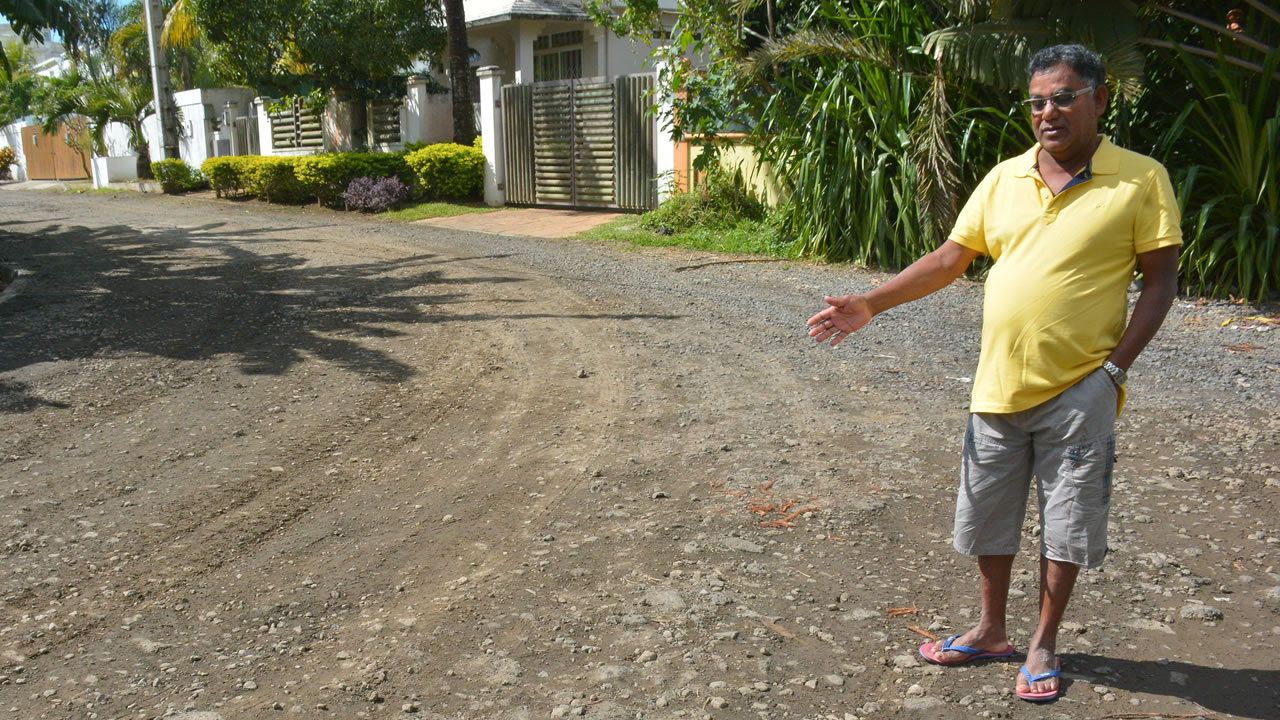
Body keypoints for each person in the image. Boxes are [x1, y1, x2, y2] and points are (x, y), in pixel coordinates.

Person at [806, 44, 1181, 702]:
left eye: (1063, 97)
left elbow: (1160, 280)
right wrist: (872, 302)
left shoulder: (1139, 179)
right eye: (1037, 101)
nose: (1048, 112)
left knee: (1066, 523)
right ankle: (989, 630)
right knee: (988, 518)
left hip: (1082, 388)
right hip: (996, 387)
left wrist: (1114, 371)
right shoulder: (1005, 178)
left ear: (1099, 99)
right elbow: (952, 257)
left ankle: (1043, 643)